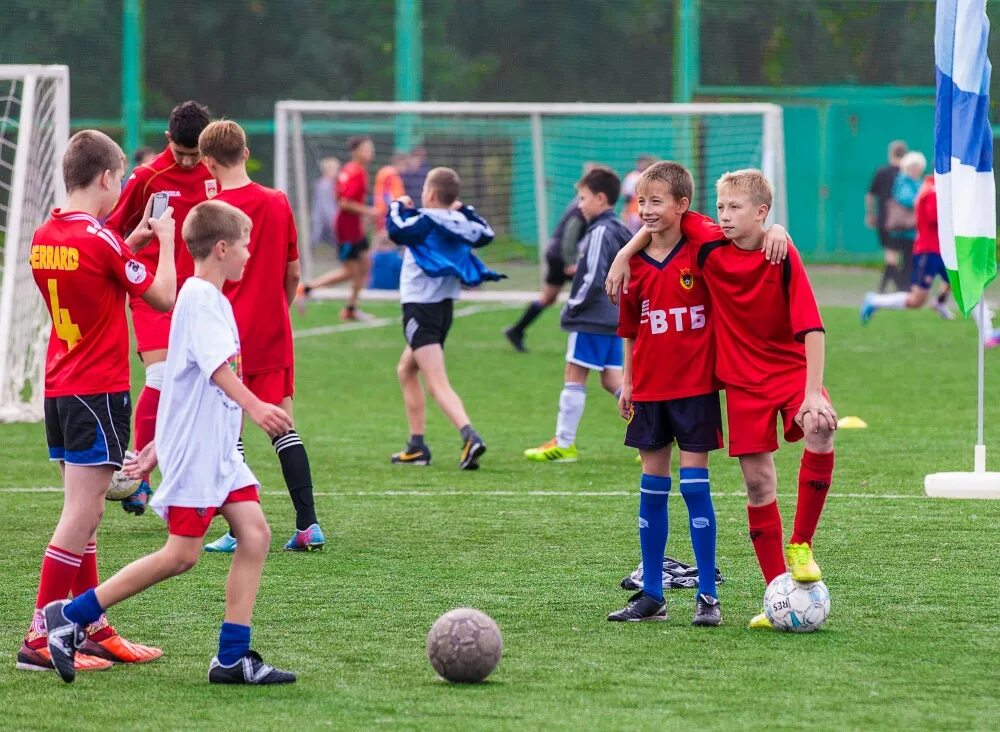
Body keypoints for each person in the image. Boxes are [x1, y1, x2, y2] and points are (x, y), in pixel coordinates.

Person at [41, 199, 297, 685]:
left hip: (216, 452)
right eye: (245, 245)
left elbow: (182, 383)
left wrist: (158, 446)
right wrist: (256, 407)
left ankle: (231, 658)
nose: (249, 254)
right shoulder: (200, 298)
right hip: (201, 455)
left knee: (256, 534)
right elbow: (217, 371)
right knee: (181, 555)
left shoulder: (210, 298)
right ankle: (70, 617)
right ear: (221, 249)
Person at [607, 169, 835, 629]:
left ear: (763, 213)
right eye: (722, 209)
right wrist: (621, 255)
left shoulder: (771, 249)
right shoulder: (707, 243)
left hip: (768, 374)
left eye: (735, 209)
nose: (725, 216)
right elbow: (658, 222)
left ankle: (797, 546)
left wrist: (813, 392)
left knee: (821, 425)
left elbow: (811, 325)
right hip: (735, 382)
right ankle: (777, 594)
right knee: (755, 482)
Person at [18, 129, 177, 673]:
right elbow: (164, 295)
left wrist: (126, 240)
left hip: (61, 386)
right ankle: (42, 636)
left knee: (84, 517)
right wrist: (167, 240)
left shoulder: (47, 233)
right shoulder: (100, 238)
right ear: (108, 177)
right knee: (82, 513)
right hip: (97, 387)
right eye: (120, 181)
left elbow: (95, 266)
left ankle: (90, 627)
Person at [196, 120, 326, 553]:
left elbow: (201, 279)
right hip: (273, 328)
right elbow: (294, 272)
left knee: (230, 432)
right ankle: (308, 524)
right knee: (283, 426)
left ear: (209, 164)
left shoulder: (210, 213)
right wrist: (278, 310)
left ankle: (237, 529)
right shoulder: (277, 201)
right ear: (246, 153)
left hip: (226, 332)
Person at [605, 162, 724, 626]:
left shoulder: (701, 252)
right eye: (641, 201)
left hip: (695, 389)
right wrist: (628, 380)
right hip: (650, 391)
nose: (647, 210)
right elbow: (630, 328)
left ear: (681, 206)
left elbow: (705, 227)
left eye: (657, 201)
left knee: (695, 486)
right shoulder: (634, 265)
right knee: (652, 487)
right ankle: (652, 593)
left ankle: (708, 596)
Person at [106, 100, 215, 514]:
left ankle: (189, 480)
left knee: (196, 386)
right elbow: (113, 229)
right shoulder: (148, 176)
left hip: (199, 295)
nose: (188, 162)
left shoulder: (213, 175)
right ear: (168, 140)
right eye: (182, 153)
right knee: (162, 375)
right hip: (151, 290)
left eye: (195, 154)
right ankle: (138, 474)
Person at [385, 167, 501, 469]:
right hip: (443, 307)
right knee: (405, 370)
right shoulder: (460, 220)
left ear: (431, 194)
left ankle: (469, 436)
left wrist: (398, 204)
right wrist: (468, 210)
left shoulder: (426, 220)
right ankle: (417, 446)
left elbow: (396, 230)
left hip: (419, 308)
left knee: (437, 382)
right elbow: (486, 233)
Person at [523, 166, 631, 463]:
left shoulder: (599, 231)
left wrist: (574, 305)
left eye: (583, 198)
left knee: (574, 373)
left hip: (592, 316)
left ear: (600, 198)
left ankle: (564, 442)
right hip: (614, 316)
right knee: (612, 379)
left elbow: (593, 276)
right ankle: (655, 428)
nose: (580, 204)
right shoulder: (621, 228)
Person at [860, 174, 999, 342]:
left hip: (945, 251)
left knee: (970, 287)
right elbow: (936, 218)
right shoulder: (932, 191)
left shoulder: (941, 189)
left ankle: (987, 334)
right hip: (929, 252)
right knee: (917, 300)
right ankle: (875, 300)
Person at [503, 164, 593, 353]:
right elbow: (570, 236)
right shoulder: (581, 207)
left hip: (554, 254)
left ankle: (516, 330)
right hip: (560, 256)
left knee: (549, 297)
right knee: (591, 291)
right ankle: (585, 340)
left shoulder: (579, 201)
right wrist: (570, 262)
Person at [298, 136, 378, 321]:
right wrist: (369, 211)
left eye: (370, 149)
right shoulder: (353, 172)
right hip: (347, 228)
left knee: (365, 264)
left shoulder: (357, 171)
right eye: (366, 149)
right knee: (350, 271)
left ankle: (351, 308)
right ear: (355, 152)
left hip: (355, 228)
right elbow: (343, 202)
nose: (370, 152)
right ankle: (307, 289)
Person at [866, 140, 909, 292]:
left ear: (891, 153)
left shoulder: (881, 172)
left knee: (891, 256)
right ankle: (899, 288)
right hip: (905, 223)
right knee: (897, 256)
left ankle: (888, 289)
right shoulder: (907, 174)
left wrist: (870, 215)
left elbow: (870, 196)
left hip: (884, 220)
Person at [883, 150, 926, 292]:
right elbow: (906, 199)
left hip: (913, 230)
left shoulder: (919, 182)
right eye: (913, 167)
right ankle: (896, 287)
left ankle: (901, 287)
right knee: (894, 260)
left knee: (909, 260)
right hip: (900, 228)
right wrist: (922, 199)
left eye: (918, 167)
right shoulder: (902, 181)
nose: (915, 170)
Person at [310, 156, 340, 250]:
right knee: (314, 239)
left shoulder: (327, 184)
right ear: (328, 170)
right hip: (323, 218)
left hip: (324, 217)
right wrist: (334, 218)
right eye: (336, 169)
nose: (338, 172)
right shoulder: (325, 185)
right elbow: (326, 205)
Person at [621, 155, 657, 233]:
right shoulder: (632, 176)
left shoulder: (654, 176)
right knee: (634, 235)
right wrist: (625, 212)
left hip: (648, 211)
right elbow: (627, 198)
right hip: (634, 211)